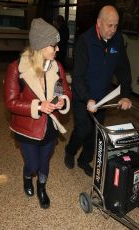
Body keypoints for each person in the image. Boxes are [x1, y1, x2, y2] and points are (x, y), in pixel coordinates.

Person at [4, 18, 71, 209]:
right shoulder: (16, 68)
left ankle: (42, 188)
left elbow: (65, 91)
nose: (57, 49)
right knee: (32, 165)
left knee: (45, 163)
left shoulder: (57, 67)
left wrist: (61, 101)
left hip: (50, 125)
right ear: (41, 46)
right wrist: (38, 106)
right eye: (54, 45)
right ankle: (27, 177)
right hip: (28, 128)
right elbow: (10, 102)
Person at [64, 5, 132, 176]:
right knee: (83, 129)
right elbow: (77, 76)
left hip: (102, 97)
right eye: (110, 25)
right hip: (83, 96)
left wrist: (125, 95)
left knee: (95, 133)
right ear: (99, 22)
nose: (113, 30)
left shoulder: (116, 40)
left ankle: (84, 160)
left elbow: (124, 69)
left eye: (116, 26)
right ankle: (70, 151)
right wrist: (87, 98)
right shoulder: (85, 41)